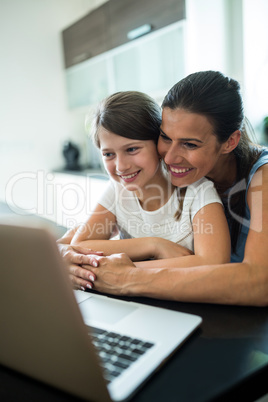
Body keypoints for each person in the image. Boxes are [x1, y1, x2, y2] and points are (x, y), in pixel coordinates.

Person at [60, 71, 268, 306]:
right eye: (166, 138)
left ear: (230, 142)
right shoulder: (160, 182)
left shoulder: (252, 180)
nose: (169, 158)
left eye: (189, 144)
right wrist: (66, 252)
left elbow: (258, 282)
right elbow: (79, 244)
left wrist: (125, 273)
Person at [58, 90, 230, 290]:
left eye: (132, 149)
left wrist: (124, 271)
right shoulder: (117, 189)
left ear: (158, 144)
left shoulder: (198, 191)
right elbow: (82, 245)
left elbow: (214, 263)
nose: (121, 166)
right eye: (108, 154)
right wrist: (153, 245)